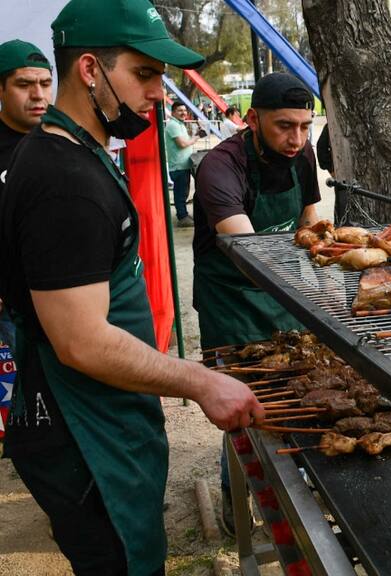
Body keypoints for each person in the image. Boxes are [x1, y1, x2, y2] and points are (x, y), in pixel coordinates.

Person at [0, 1, 264, 574]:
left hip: (107, 415)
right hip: (82, 431)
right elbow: (82, 342)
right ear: (91, 70)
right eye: (144, 74)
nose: (157, 93)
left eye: (161, 78)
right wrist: (200, 381)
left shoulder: (78, 150)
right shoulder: (62, 181)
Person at [193, 72, 320, 534]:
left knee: (294, 391)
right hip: (231, 296)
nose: (297, 138)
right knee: (240, 405)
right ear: (252, 119)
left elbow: (307, 217)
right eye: (285, 125)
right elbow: (251, 251)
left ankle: (298, 484)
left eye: (305, 126)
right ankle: (235, 494)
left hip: (281, 289)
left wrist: (318, 263)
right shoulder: (221, 168)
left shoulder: (302, 155)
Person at [0, 40, 53, 352]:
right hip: (11, 309)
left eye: (45, 83)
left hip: (65, 297)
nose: (38, 95)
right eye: (24, 84)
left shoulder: (63, 138)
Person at [165, 100, 201, 227]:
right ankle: (182, 217)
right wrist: (195, 139)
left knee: (184, 191)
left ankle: (183, 214)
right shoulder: (173, 125)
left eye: (185, 110)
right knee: (180, 193)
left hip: (184, 165)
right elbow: (182, 144)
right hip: (178, 166)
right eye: (180, 111)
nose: (183, 113)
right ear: (173, 112)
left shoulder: (179, 124)